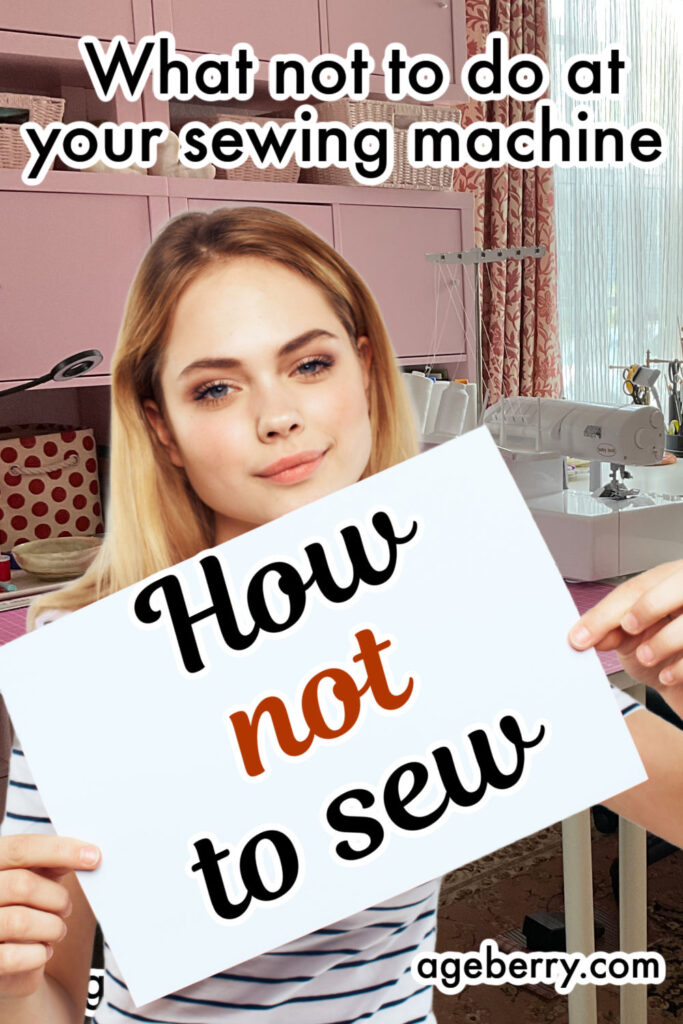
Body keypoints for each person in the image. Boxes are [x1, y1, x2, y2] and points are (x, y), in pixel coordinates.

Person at [0, 206, 681, 1024]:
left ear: (363, 369)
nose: (276, 416)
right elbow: (55, 1003)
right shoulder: (93, 668)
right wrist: (11, 982)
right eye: (215, 388)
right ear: (162, 427)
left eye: (309, 365)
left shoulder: (454, 606)